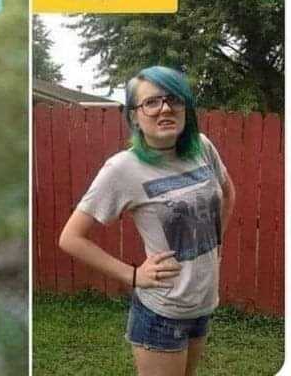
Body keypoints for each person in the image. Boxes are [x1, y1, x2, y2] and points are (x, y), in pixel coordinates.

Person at [59, 66, 236, 376]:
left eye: (173, 99)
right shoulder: (123, 168)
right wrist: (133, 274)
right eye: (151, 102)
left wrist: (215, 245)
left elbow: (227, 192)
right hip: (161, 313)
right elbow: (71, 238)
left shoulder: (203, 148)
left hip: (202, 305)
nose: (164, 108)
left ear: (185, 108)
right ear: (134, 116)